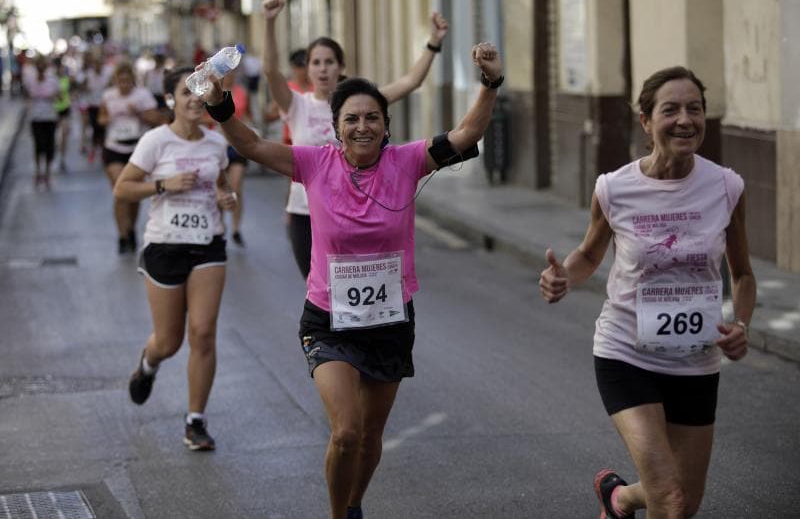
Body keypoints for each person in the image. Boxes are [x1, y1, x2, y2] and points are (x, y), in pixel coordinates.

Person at [199, 38, 502, 519]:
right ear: (336, 128)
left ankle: (356, 502)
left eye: (372, 118)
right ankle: (339, 514)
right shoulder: (314, 164)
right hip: (328, 319)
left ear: (385, 125)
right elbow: (252, 144)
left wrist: (489, 82)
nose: (363, 126)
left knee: (371, 437)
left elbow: (466, 133)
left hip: (389, 319)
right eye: (352, 119)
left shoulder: (407, 161)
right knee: (346, 432)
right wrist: (220, 107)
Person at [539, 66, 756, 519]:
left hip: (696, 360)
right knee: (669, 497)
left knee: (684, 503)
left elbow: (743, 275)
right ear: (646, 121)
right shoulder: (615, 188)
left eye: (694, 109)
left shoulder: (726, 187)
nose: (684, 120)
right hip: (626, 353)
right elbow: (589, 255)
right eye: (670, 109)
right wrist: (564, 278)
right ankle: (635, 497)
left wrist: (741, 324)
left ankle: (619, 498)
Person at [260, 0, 449, 279]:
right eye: (316, 62)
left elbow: (411, 82)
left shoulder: (362, 105)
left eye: (330, 62)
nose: (323, 68)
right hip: (305, 214)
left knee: (355, 290)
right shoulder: (296, 105)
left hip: (354, 214)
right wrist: (269, 22)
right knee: (320, 292)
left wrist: (434, 42)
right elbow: (271, 71)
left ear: (340, 66)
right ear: (308, 68)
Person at [113, 66, 237, 451]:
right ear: (171, 100)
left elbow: (220, 185)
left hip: (207, 243)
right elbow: (123, 188)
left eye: (200, 91)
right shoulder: (155, 141)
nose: (195, 98)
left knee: (203, 333)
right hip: (165, 245)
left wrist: (225, 197)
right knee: (168, 341)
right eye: (186, 92)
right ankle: (148, 365)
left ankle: (195, 420)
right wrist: (163, 184)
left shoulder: (216, 144)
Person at [98, 62, 162, 254]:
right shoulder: (108, 95)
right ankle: (122, 235)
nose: (123, 85)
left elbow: (156, 119)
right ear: (115, 81)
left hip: (137, 149)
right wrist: (107, 119)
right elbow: (101, 118)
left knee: (133, 195)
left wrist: (138, 113)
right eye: (120, 81)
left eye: (127, 81)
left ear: (132, 80)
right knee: (120, 191)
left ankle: (131, 228)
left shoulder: (142, 95)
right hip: (114, 147)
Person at [221, 71, 252, 246]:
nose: (229, 75)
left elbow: (248, 114)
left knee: (236, 187)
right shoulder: (211, 91)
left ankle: (236, 228)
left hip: (237, 145)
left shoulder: (242, 91)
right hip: (217, 144)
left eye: (232, 72)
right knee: (217, 187)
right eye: (225, 72)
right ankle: (218, 225)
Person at [24, 55, 60, 189]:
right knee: (38, 144)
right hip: (36, 117)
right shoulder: (29, 79)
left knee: (49, 145)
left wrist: (54, 97)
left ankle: (47, 172)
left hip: (50, 117)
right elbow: (26, 95)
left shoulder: (52, 80)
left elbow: (59, 96)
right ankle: (38, 171)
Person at [263, 48, 312, 145]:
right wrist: (288, 111)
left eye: (306, 66)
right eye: (299, 66)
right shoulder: (287, 87)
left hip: (315, 141)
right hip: (290, 140)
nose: (303, 70)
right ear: (293, 68)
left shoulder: (318, 87)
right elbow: (269, 117)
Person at [53, 56, 72, 172]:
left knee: (64, 133)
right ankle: (55, 154)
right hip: (53, 110)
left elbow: (70, 92)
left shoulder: (66, 79)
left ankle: (62, 158)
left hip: (65, 109)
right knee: (56, 136)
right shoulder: (50, 80)